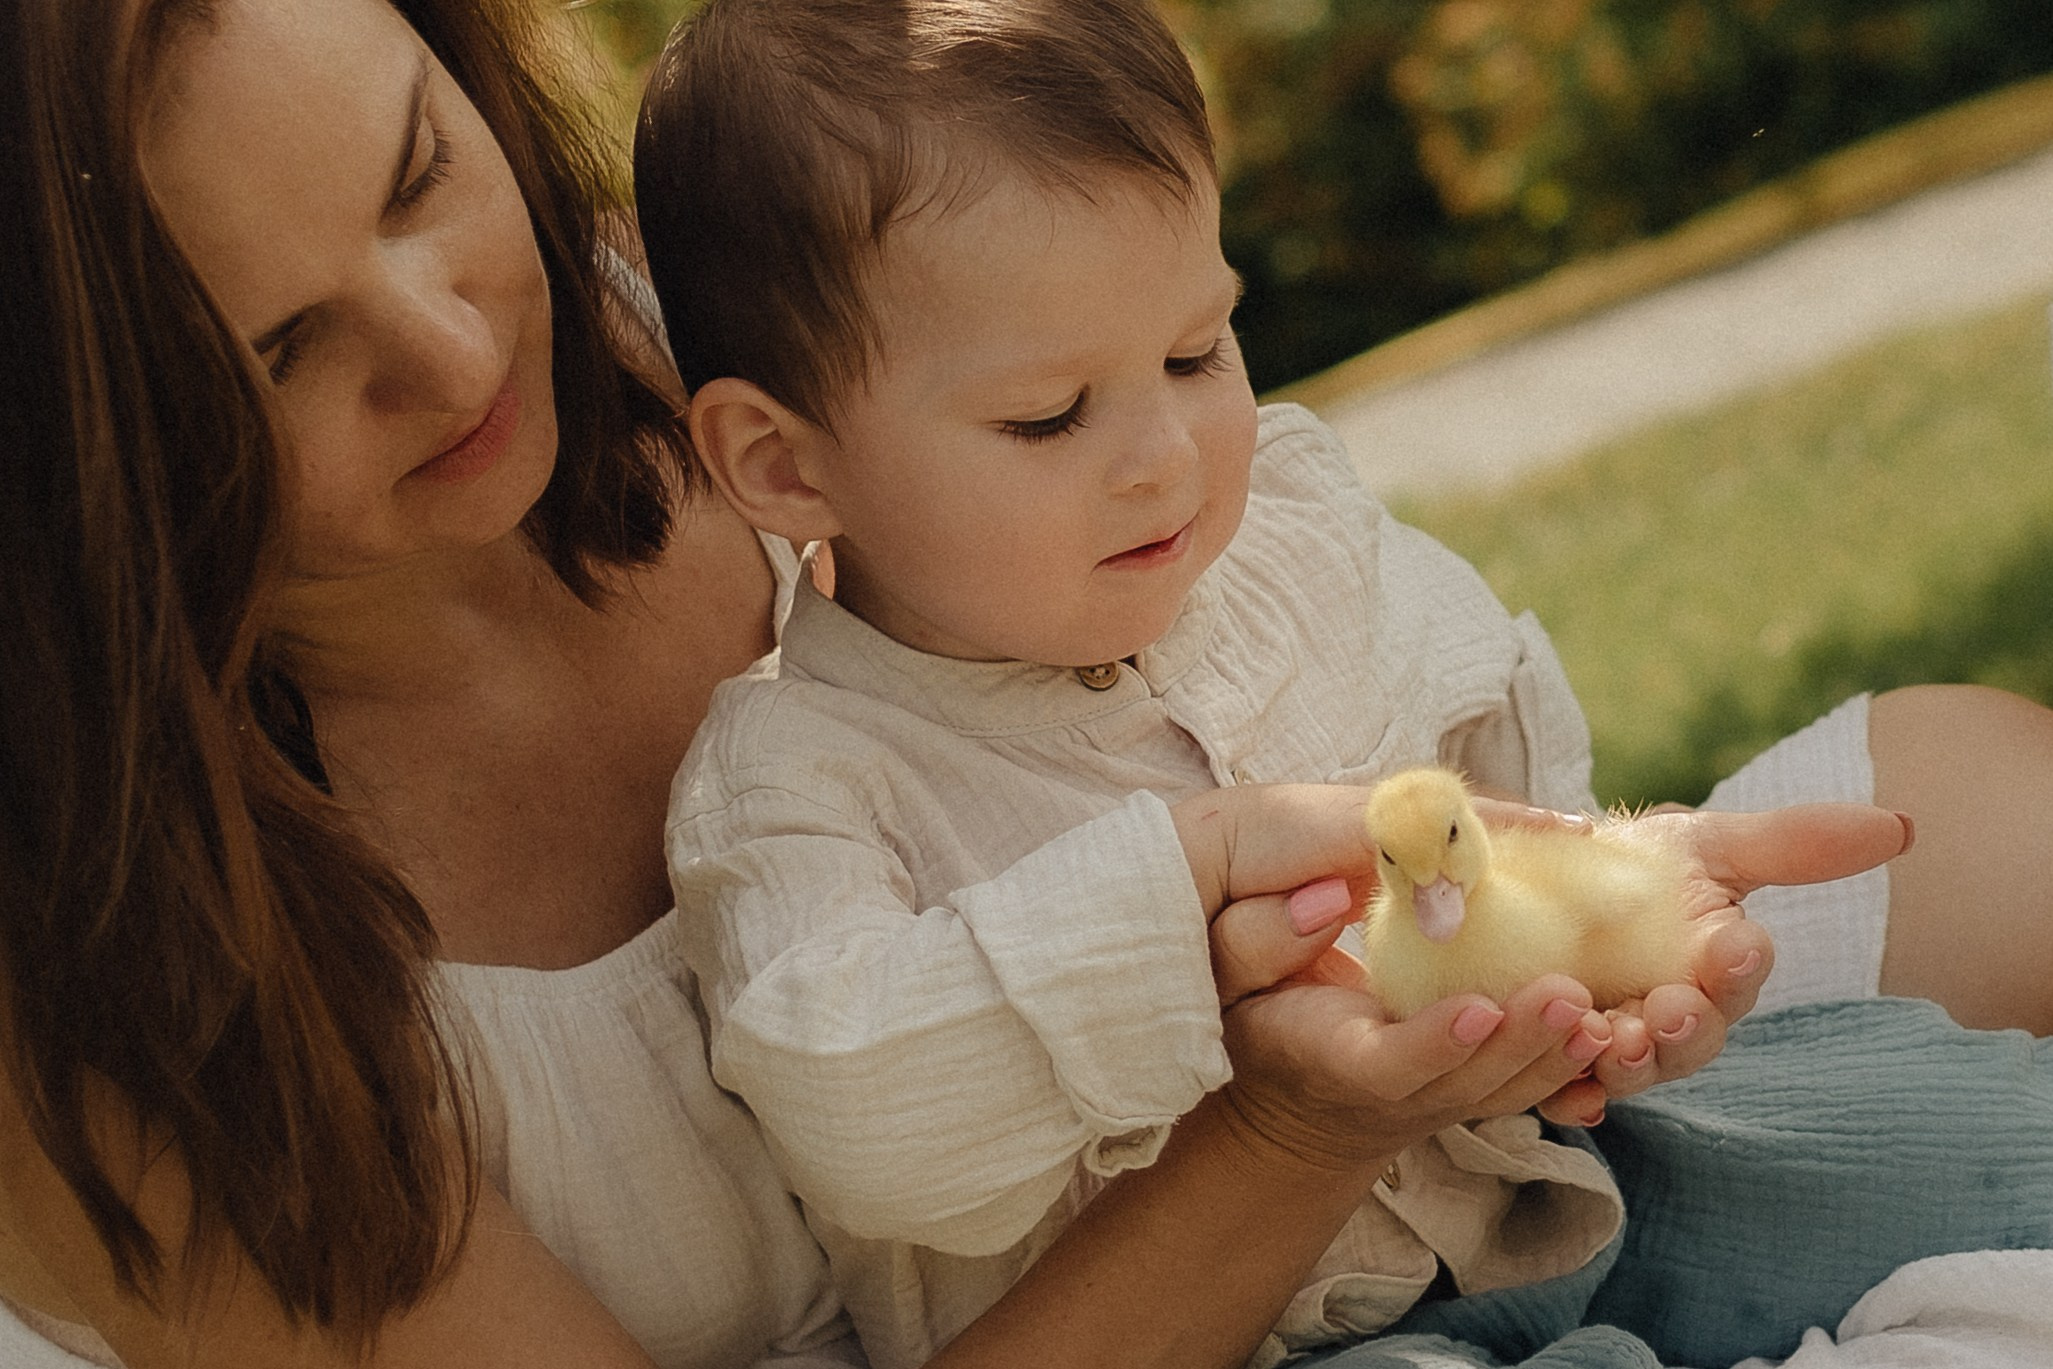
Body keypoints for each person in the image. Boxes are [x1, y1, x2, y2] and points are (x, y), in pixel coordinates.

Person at [0, 1, 2035, 1368]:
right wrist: (1286, 1129)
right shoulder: (99, 990)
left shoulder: (701, 292)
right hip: (1177, 1292)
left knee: (1980, 813)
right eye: (273, 351)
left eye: (417, 174)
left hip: (1418, 1168)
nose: (458, 353)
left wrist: (1574, 911)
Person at [632, 4, 1966, 1368]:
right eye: (1048, 416)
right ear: (785, 465)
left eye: (1195, 351)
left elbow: (1498, 754)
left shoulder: (1290, 525)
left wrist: (1603, 953)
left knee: (1974, 1139)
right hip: (1252, 1346)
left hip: (1546, 1182)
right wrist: (1180, 892)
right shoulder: (794, 780)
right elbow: (860, 1110)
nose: (1166, 452)